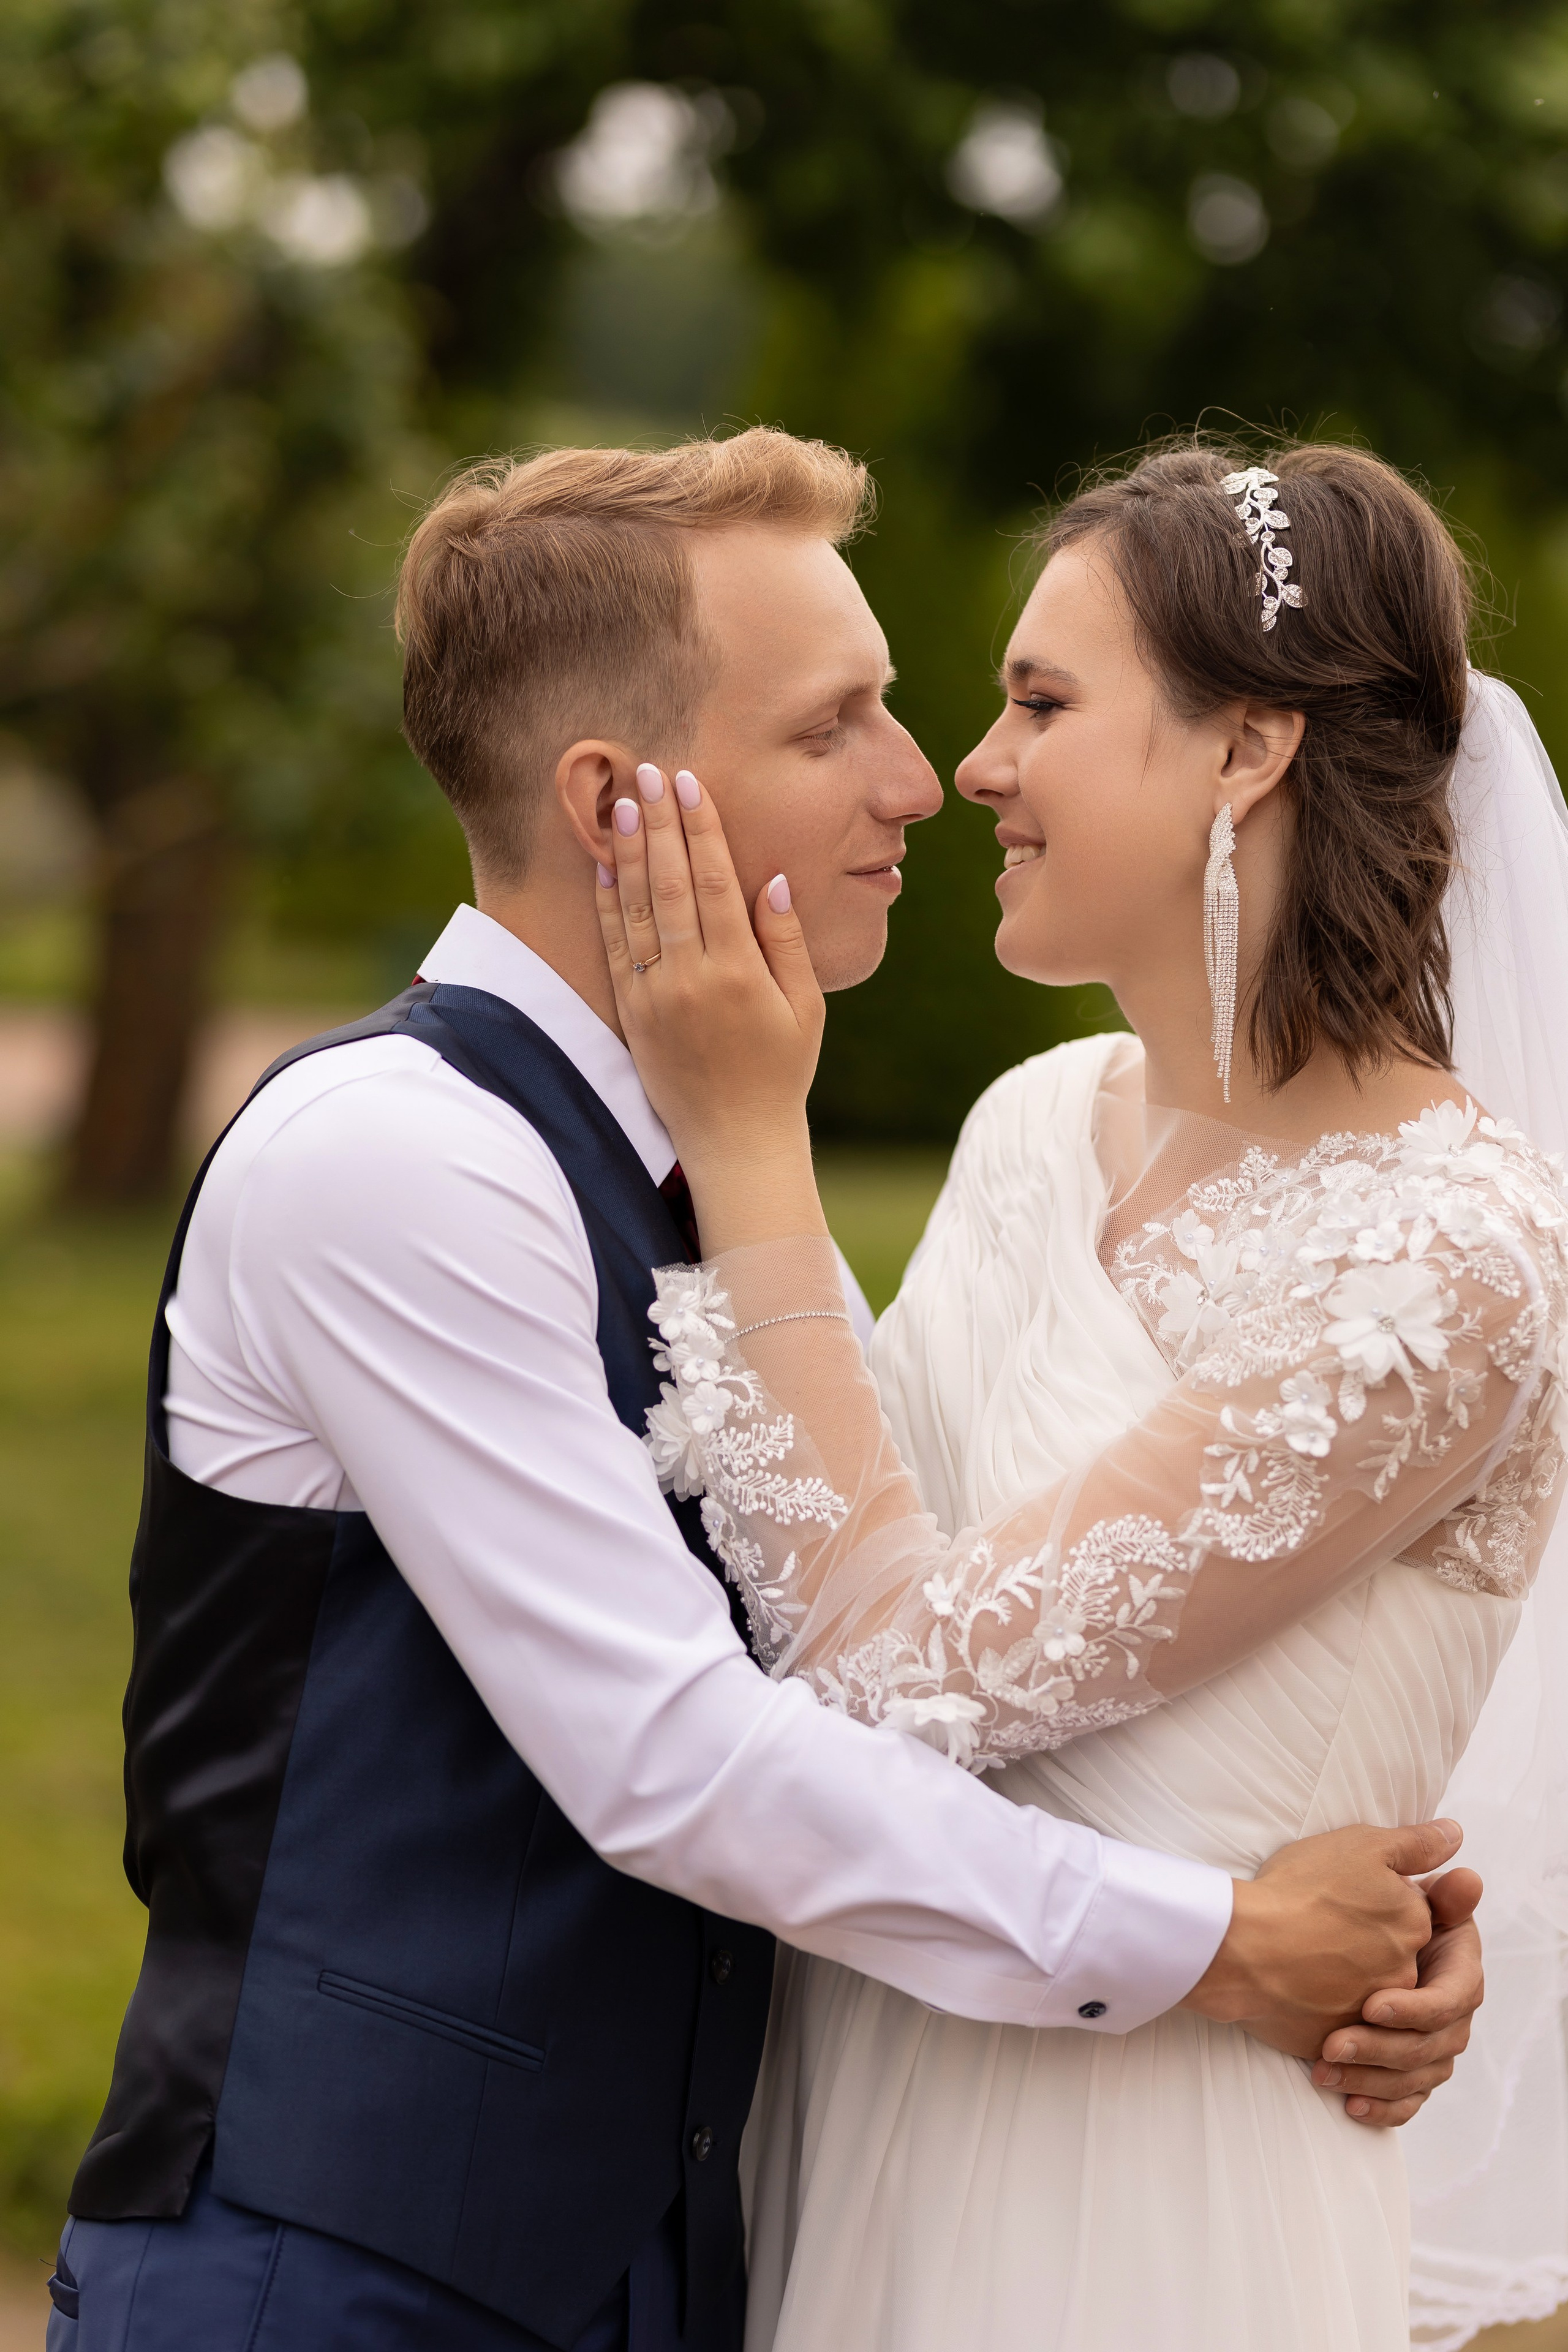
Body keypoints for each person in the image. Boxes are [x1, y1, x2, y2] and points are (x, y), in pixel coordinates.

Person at [50, 431, 1480, 2352]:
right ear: (613, 802)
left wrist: (1382, 1915)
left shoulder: (721, 1160)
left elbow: (926, 1576)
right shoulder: (394, 1159)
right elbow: (683, 1757)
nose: (932, 778)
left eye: (976, 706)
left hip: (731, 2246)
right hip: (342, 2274)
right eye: (842, 725)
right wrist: (1230, 1941)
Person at [593, 439, 1568, 2351]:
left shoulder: (1447, 1258)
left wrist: (745, 1136)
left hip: (1148, 2195)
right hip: (869, 2107)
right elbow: (839, 1539)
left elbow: (891, 1676)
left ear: (1247, 751)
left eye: (1043, 701)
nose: (973, 766)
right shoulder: (1034, 1126)